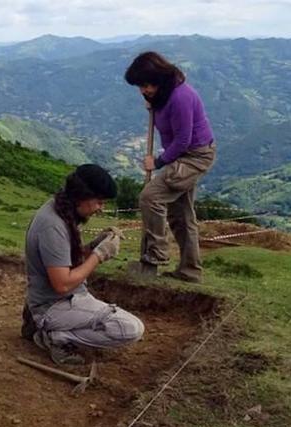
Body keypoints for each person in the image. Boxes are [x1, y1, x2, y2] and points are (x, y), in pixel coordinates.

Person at [21, 164, 144, 365]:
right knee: (131, 329)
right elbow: (61, 283)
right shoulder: (52, 226)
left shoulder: (60, 210)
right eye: (99, 202)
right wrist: (99, 255)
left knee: (120, 323)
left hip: (65, 298)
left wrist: (94, 244)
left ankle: (49, 327)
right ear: (82, 196)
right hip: (55, 304)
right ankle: (55, 336)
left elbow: (64, 259)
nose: (100, 208)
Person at [124, 51, 216, 283]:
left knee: (150, 197)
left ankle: (156, 254)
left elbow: (183, 140)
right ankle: (190, 271)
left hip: (194, 156)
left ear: (158, 78)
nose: (143, 90)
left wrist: (157, 162)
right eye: (140, 86)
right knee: (181, 216)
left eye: (145, 85)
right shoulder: (163, 94)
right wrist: (152, 104)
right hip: (182, 156)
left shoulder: (180, 97)